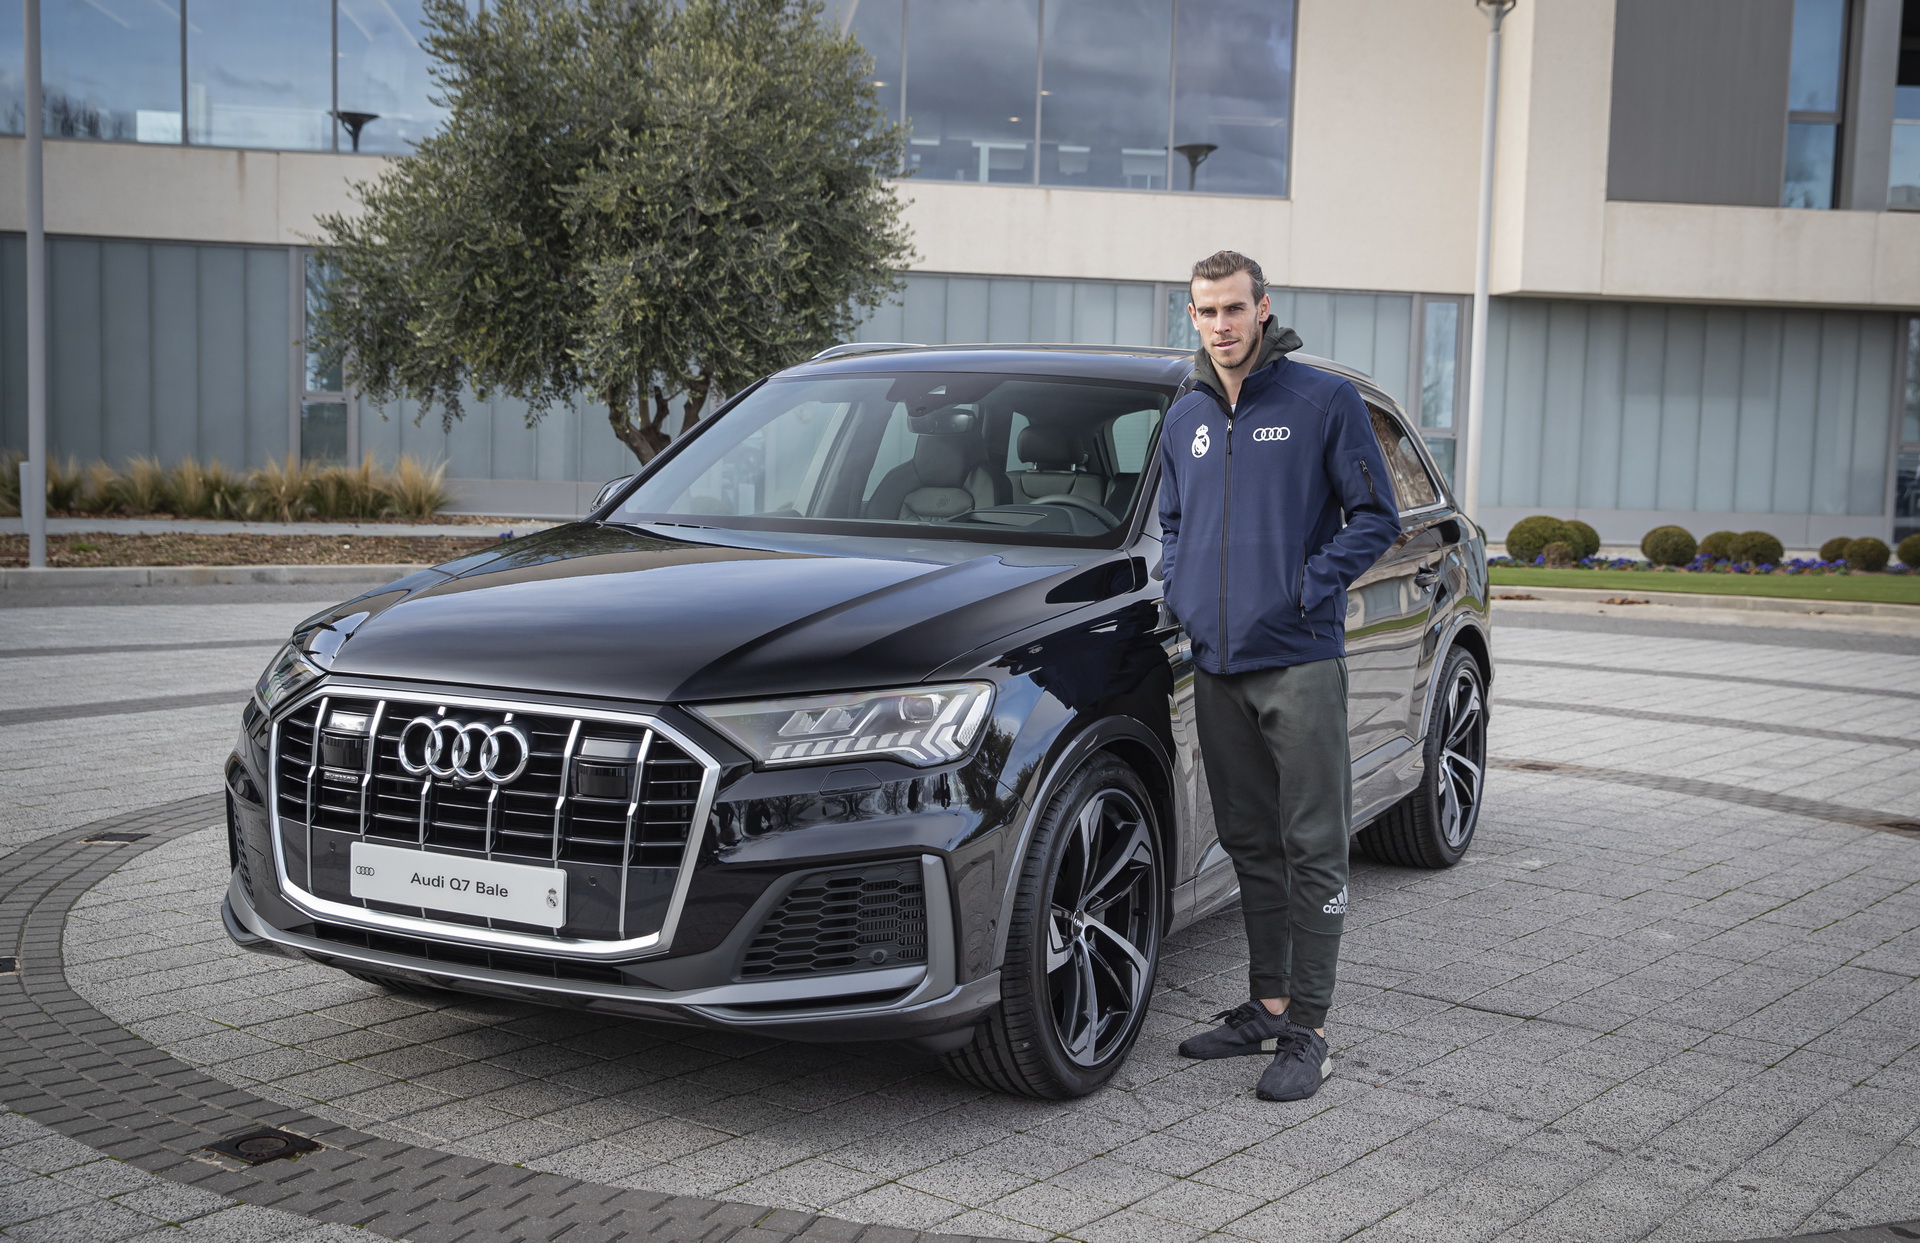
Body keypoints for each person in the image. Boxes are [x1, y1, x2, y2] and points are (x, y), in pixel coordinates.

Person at [1157, 250, 1401, 1101]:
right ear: (1191, 317)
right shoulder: (1184, 413)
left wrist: (1310, 583)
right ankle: (1267, 1003)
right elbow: (1176, 522)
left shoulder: (1320, 399)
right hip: (1217, 666)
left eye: (1233, 308)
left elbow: (1378, 516)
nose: (1220, 325)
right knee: (1250, 840)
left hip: (1298, 659)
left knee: (1313, 845)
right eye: (1205, 312)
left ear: (1264, 308)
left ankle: (1310, 1029)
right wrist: (1183, 592)